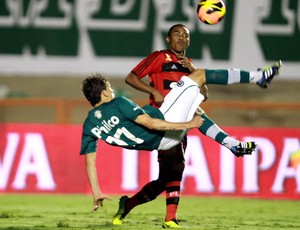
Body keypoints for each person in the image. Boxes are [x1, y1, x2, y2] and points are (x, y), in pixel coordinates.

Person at [115, 23, 282, 228]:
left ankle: (131, 205)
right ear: (168, 39)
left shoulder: (190, 64)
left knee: (170, 174)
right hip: (162, 117)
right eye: (176, 34)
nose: (181, 38)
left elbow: (204, 96)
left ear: (189, 41)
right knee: (195, 115)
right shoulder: (160, 57)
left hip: (180, 120)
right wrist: (154, 91)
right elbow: (130, 77)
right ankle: (256, 79)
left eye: (185, 35)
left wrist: (193, 71)